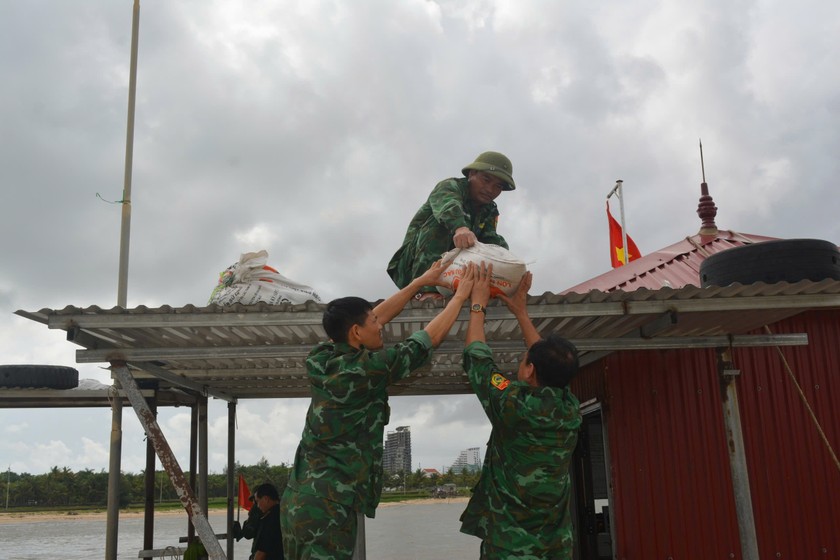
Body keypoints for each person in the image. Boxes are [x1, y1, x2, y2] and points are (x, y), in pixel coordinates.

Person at [280, 260, 478, 559]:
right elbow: (427, 340)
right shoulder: (368, 368)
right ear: (357, 332)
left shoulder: (322, 357)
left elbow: (379, 316)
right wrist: (462, 296)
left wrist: (419, 282)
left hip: (300, 498)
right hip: (328, 507)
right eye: (373, 322)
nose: (380, 325)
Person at [460, 264, 582, 560]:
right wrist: (521, 312)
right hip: (556, 547)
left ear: (529, 371)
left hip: (509, 547)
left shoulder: (513, 403)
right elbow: (551, 363)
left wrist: (477, 303)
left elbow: (477, 359)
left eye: (525, 360)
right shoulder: (569, 409)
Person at [386, 151, 514, 299]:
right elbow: (449, 207)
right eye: (486, 180)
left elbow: (490, 240)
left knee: (498, 247)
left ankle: (483, 292)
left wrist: (508, 263)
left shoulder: (490, 209)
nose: (490, 189)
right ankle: (426, 290)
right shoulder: (450, 186)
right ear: (472, 173)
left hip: (454, 273)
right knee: (443, 226)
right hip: (412, 267)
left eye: (497, 186)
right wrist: (460, 228)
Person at [252, 483, 284, 560]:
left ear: (266, 499)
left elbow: (262, 552)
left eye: (258, 501)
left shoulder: (270, 519)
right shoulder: (284, 513)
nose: (258, 506)